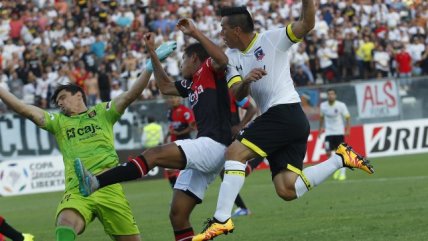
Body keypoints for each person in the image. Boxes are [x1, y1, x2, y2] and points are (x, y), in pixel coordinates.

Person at [192, 5, 374, 241]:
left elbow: (306, 24)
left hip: (285, 112)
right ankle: (340, 159)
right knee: (287, 189)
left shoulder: (273, 39)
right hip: (287, 120)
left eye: (223, 29)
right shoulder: (232, 59)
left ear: (236, 30)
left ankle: (221, 219)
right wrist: (246, 81)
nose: (221, 34)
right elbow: (238, 94)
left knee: (234, 153)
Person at [0, 41, 176, 241]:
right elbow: (24, 109)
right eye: (57, 102)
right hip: (78, 190)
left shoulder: (102, 112)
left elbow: (129, 96)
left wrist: (148, 68)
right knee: (65, 223)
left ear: (79, 95)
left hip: (109, 185)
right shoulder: (58, 122)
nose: (60, 104)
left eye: (63, 98)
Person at [74, 18, 232, 241]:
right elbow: (165, 86)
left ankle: (96, 182)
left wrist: (195, 33)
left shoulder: (209, 68)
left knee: (154, 155)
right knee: (177, 215)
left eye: (184, 60)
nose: (181, 65)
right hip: (207, 148)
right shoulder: (191, 83)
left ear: (195, 58)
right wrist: (152, 53)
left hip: (215, 144)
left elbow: (222, 59)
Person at [318, 88, 351, 181]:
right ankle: (337, 167)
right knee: (328, 152)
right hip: (329, 132)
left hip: (339, 132)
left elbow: (347, 117)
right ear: (327, 95)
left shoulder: (341, 105)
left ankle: (343, 173)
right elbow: (321, 118)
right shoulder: (323, 106)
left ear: (335, 95)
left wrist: (348, 129)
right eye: (329, 94)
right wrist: (320, 129)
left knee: (341, 153)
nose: (330, 96)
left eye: (332, 94)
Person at [163, 96, 196, 188]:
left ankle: (183, 191)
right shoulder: (170, 112)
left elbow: (192, 127)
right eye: (171, 98)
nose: (173, 100)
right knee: (169, 169)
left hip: (185, 143)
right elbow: (172, 126)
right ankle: (176, 191)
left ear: (180, 99)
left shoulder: (185, 111)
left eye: (175, 97)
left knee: (182, 170)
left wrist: (179, 132)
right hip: (174, 143)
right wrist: (167, 136)